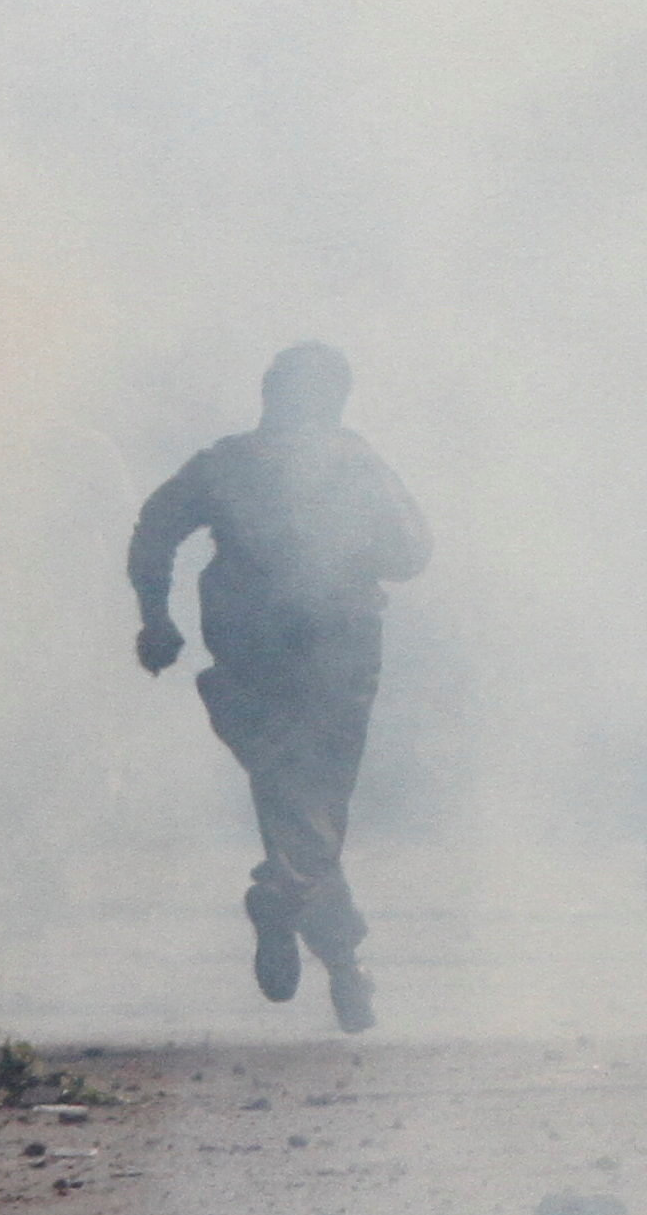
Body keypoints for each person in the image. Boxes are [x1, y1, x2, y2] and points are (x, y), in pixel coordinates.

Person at [128, 342, 433, 1032]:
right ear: (334, 399)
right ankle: (298, 903)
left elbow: (154, 529)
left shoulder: (226, 462)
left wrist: (157, 621)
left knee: (287, 797)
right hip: (339, 651)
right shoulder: (356, 462)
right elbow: (413, 552)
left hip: (247, 650)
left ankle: (341, 958)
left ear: (270, 395)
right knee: (316, 800)